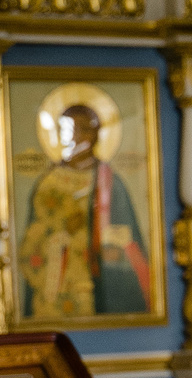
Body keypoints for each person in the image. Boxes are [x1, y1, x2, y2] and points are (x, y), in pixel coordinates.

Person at [19, 101, 152, 317]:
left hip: (98, 285)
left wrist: (112, 244)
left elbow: (131, 242)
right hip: (55, 287)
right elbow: (31, 243)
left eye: (86, 129)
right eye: (72, 129)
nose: (80, 136)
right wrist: (63, 232)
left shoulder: (110, 182)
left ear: (97, 134)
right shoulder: (48, 183)